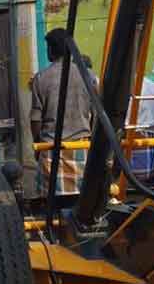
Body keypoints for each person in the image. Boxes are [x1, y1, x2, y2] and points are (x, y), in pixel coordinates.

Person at [31, 28, 92, 197]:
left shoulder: (41, 78)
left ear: (51, 49)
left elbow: (36, 119)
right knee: (82, 201)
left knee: (51, 204)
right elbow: (96, 113)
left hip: (51, 149)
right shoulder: (88, 76)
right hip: (82, 147)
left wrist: (38, 146)